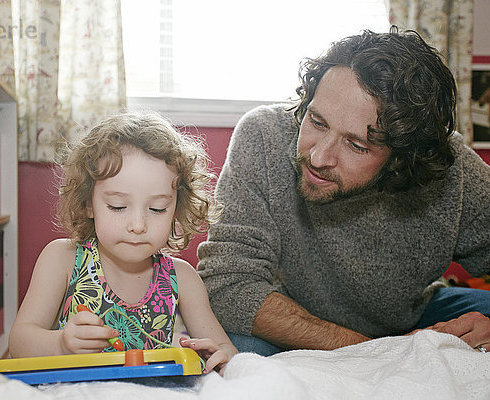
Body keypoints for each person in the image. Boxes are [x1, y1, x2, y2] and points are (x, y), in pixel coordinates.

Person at [197, 27, 490, 356]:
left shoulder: (452, 169)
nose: (318, 158)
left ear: (404, 156)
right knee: (237, 352)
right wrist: (379, 353)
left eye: (356, 144)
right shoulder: (263, 136)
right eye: (317, 122)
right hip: (292, 319)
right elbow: (229, 284)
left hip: (413, 315)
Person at [9, 113, 237, 374]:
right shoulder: (63, 258)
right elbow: (19, 342)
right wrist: (61, 343)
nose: (138, 225)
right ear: (88, 203)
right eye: (117, 206)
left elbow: (224, 350)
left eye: (157, 208)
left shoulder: (182, 277)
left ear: (176, 208)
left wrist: (218, 355)